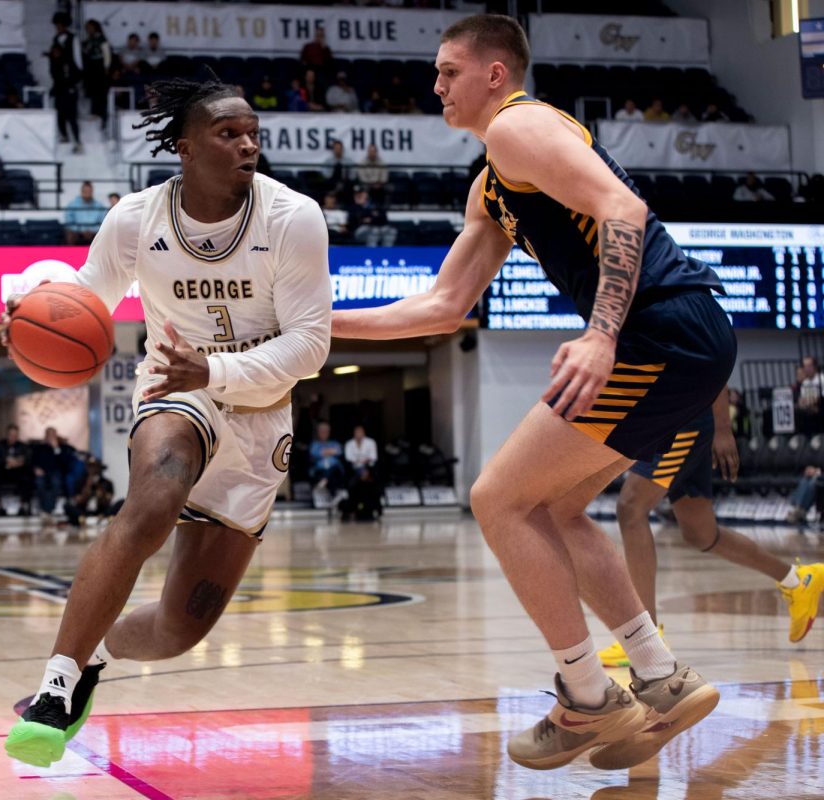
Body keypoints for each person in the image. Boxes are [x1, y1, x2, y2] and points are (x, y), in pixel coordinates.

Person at [331, 14, 733, 771]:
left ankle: (587, 697)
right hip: (682, 336)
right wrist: (322, 327)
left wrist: (602, 334)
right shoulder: (492, 183)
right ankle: (659, 678)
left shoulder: (519, 126)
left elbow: (625, 209)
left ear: (495, 74)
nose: (436, 84)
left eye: (450, 70)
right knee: (552, 506)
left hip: (654, 331)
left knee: (497, 497)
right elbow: (443, 306)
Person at [2, 74, 330, 767]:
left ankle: (95, 653)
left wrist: (215, 371)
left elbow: (310, 345)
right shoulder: (135, 218)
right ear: (183, 146)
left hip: (259, 414)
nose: (247, 144)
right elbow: (85, 297)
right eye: (228, 133)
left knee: (182, 628)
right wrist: (29, 303)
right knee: (151, 501)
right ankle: (55, 688)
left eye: (252, 133)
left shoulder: (292, 217)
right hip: (174, 395)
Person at [598, 388, 823, 670]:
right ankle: (797, 580)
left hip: (681, 421)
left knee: (631, 508)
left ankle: (646, 639)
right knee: (701, 533)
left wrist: (724, 428)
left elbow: (715, 348)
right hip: (667, 419)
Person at [49, 43, 83, 153]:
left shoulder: (68, 62)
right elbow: (56, 79)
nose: (55, 54)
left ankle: (77, 142)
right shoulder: (53, 62)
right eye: (54, 52)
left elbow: (77, 75)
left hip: (69, 93)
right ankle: (65, 135)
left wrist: (71, 85)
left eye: (57, 51)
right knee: (59, 116)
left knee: (72, 118)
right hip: (59, 92)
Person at [0, 424, 33, 515]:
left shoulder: (23, 446)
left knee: (27, 479)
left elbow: (27, 460)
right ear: (7, 434)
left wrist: (16, 463)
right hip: (2, 472)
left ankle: (23, 507)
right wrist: (7, 462)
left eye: (15, 435)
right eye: (11, 434)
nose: (13, 437)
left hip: (19, 473)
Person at [31, 426, 68, 519]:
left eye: (53, 435)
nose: (51, 437)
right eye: (49, 435)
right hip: (41, 472)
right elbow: (32, 460)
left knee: (56, 483)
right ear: (45, 436)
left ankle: (47, 510)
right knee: (39, 483)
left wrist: (56, 448)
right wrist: (36, 468)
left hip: (55, 472)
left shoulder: (61, 448)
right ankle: (46, 509)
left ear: (56, 436)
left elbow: (64, 463)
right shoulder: (39, 447)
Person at [82, 20, 112, 125]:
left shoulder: (101, 38)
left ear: (95, 28)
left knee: (100, 92)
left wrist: (106, 66)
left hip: (100, 67)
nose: (88, 30)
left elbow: (106, 53)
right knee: (93, 91)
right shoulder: (88, 40)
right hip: (91, 67)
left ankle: (102, 114)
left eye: (90, 27)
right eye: (87, 28)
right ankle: (94, 112)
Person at [64, 181, 108, 245]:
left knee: (105, 233)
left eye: (89, 191)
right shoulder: (72, 205)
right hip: (77, 233)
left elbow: (103, 222)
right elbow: (69, 221)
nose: (87, 193)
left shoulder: (99, 206)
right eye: (85, 191)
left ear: (92, 191)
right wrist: (82, 230)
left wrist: (92, 230)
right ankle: (71, 253)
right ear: (81, 191)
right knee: (69, 233)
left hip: (95, 233)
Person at [310, 421, 346, 494]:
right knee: (325, 475)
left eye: (326, 431)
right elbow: (314, 453)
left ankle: (325, 480)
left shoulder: (334, 443)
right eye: (322, 431)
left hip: (335, 470)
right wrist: (330, 452)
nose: (324, 433)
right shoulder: (315, 444)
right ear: (318, 432)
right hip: (320, 470)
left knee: (334, 471)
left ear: (329, 432)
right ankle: (327, 483)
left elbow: (339, 452)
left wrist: (324, 452)